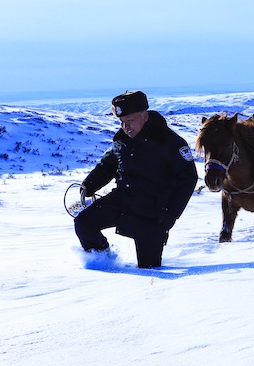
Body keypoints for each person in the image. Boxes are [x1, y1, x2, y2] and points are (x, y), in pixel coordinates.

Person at [74, 91, 198, 268]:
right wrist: (89, 185)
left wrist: (170, 214)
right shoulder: (122, 140)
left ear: (145, 116)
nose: (126, 127)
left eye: (130, 121)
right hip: (122, 201)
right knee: (84, 223)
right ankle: (103, 263)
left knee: (149, 270)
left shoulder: (170, 143)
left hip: (152, 213)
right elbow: (109, 165)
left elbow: (187, 179)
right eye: (121, 122)